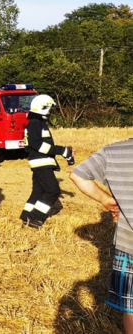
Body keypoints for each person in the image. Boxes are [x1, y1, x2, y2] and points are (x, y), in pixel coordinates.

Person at [68, 137, 133, 333]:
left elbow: (77, 175)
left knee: (131, 307)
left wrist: (106, 199)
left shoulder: (113, 152)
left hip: (129, 243)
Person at [20, 95, 74, 228]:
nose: (50, 112)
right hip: (41, 163)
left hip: (41, 163)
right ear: (42, 108)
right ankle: (35, 218)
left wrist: (64, 153)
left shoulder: (36, 123)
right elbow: (39, 146)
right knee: (53, 191)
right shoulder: (35, 124)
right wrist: (62, 151)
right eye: (49, 109)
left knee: (38, 192)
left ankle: (26, 216)